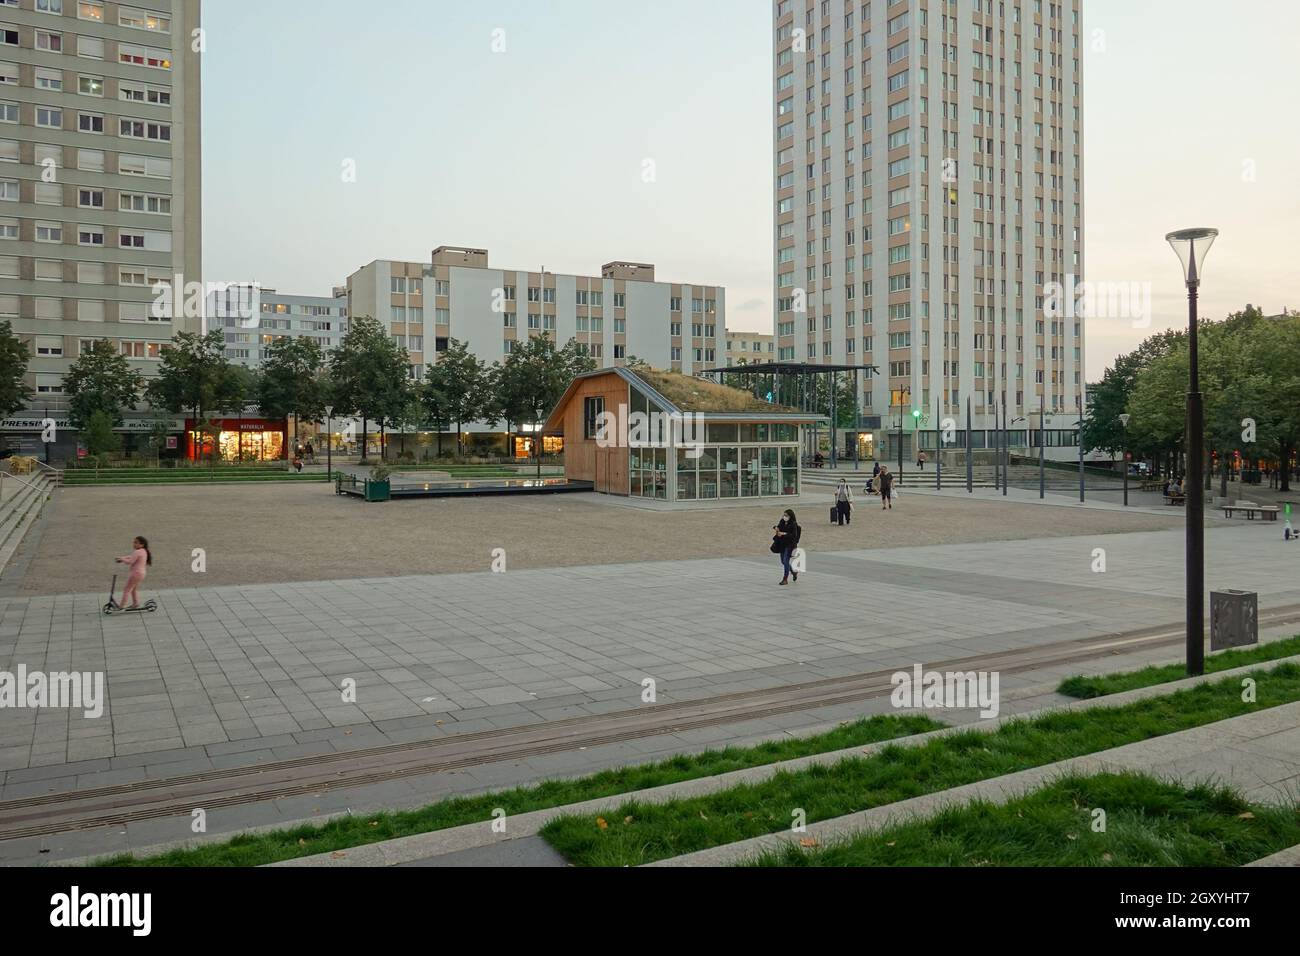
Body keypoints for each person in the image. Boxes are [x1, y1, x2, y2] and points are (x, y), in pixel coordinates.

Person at [115, 535, 152, 610]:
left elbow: (130, 561)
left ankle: (121, 606)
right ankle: (136, 603)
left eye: (136, 543)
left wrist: (122, 560)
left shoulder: (137, 552)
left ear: (142, 544)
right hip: (141, 574)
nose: (134, 544)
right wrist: (122, 557)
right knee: (133, 589)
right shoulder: (144, 551)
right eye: (134, 542)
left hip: (135, 574)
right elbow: (131, 556)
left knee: (127, 589)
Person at [773, 509, 801, 585]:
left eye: (786, 515)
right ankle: (793, 572)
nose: (784, 517)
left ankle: (785, 579)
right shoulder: (782, 521)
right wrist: (776, 528)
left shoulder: (793, 524)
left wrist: (784, 534)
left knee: (785, 561)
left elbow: (793, 536)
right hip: (782, 544)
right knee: (783, 561)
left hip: (790, 545)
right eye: (784, 515)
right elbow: (777, 526)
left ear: (790, 516)